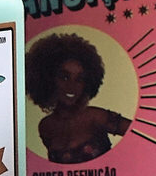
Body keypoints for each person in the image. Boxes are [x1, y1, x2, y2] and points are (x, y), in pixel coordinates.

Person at [25, 32, 130, 163]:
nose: (72, 86)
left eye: (79, 79)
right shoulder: (46, 127)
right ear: (49, 79)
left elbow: (140, 134)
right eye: (64, 77)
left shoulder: (95, 117)